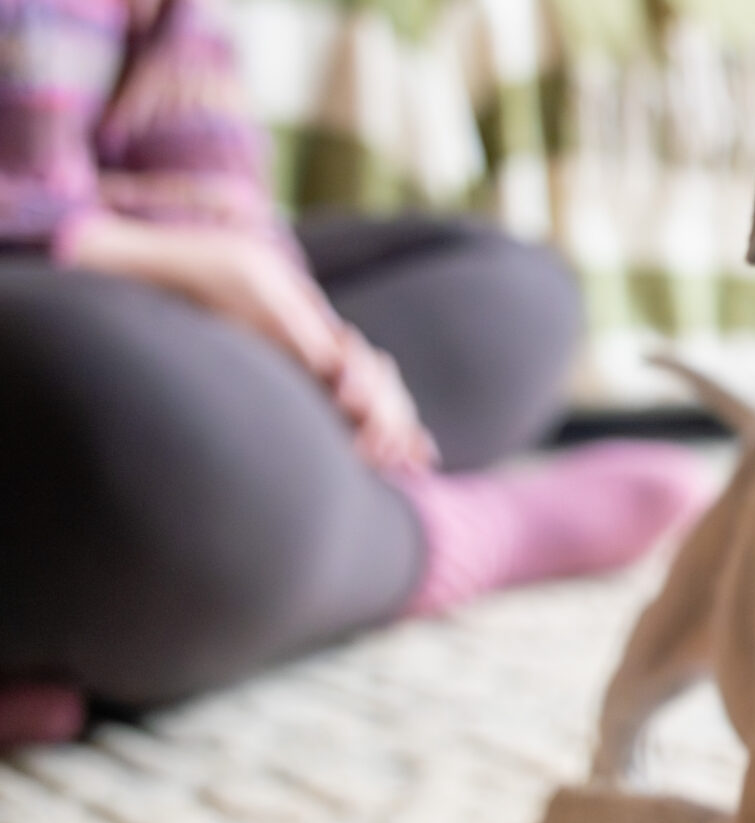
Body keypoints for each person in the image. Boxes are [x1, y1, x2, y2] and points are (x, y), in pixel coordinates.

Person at [0, 0, 707, 746]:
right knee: (100, 417)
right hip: (48, 323)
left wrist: (302, 329)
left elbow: (195, 176)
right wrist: (164, 263)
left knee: (512, 293)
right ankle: (453, 537)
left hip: (104, 287)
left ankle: (255, 525)